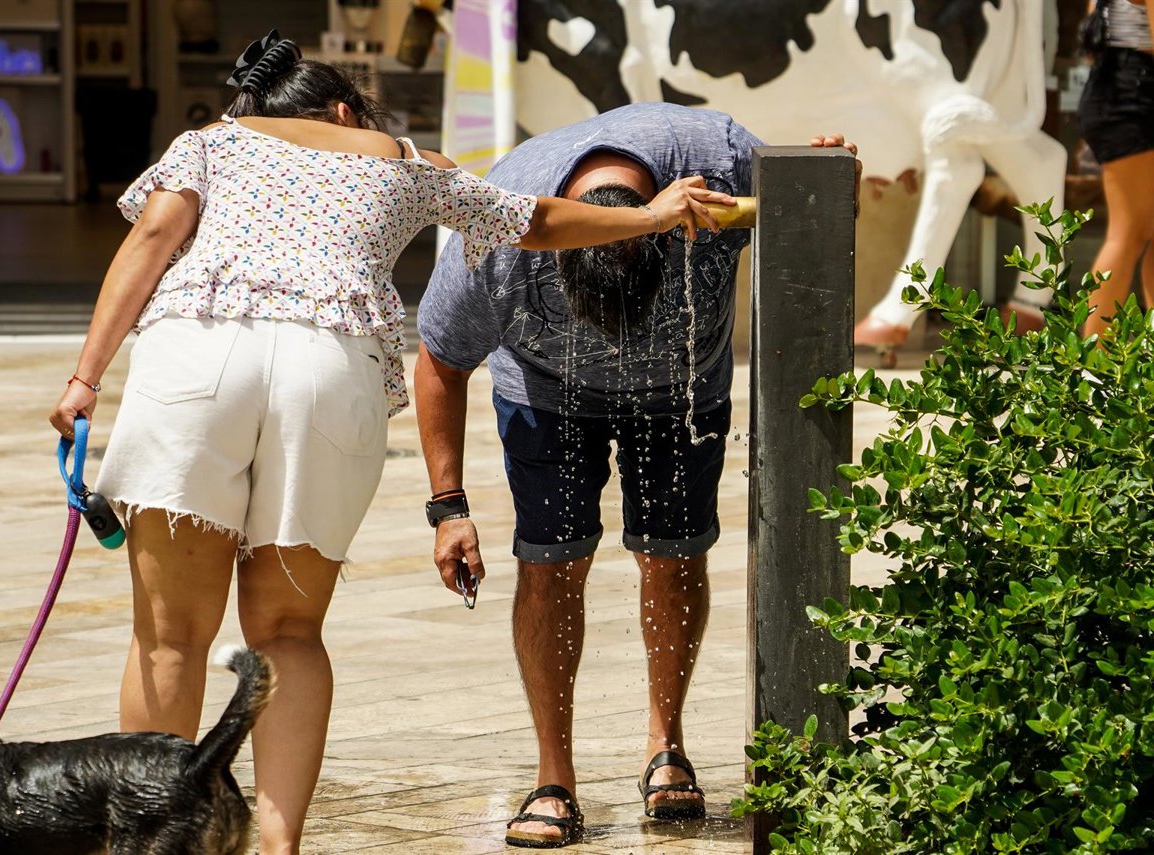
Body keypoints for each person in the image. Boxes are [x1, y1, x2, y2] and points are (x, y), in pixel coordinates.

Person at [46, 32, 732, 854]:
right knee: (288, 632)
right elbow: (537, 221)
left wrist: (85, 378)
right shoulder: (405, 159)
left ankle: (158, 840)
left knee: (169, 635)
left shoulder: (207, 143)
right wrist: (653, 215)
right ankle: (278, 846)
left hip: (197, 356)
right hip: (328, 369)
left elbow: (152, 240)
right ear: (344, 111)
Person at [414, 101, 859, 848]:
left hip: (682, 388)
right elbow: (440, 360)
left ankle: (666, 745)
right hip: (546, 393)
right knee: (550, 565)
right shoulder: (500, 223)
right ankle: (554, 776)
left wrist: (830, 179)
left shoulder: (722, 160)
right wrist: (448, 507)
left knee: (674, 555)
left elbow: (814, 218)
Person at [1079, 0, 1154, 337]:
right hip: (1135, 96)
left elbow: (1092, 47)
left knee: (1138, 233)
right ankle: (1093, 359)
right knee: (1128, 234)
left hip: (1115, 90)